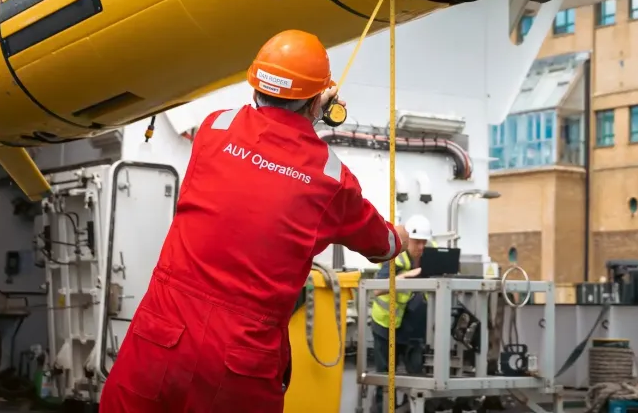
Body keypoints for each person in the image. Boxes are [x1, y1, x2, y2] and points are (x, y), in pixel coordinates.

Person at [100, 29, 409, 413]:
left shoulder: (214, 130)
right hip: (240, 363)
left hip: (161, 338)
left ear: (256, 83)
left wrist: (308, 109)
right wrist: (400, 236)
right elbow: (382, 245)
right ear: (317, 100)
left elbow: (260, 157)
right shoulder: (330, 179)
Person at [369, 214, 434, 413]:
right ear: (408, 239)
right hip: (385, 325)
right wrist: (405, 277)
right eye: (417, 242)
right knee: (385, 377)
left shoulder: (431, 254)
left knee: (416, 376)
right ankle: (381, 409)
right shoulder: (395, 256)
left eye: (424, 242)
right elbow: (377, 289)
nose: (421, 247)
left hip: (412, 328)